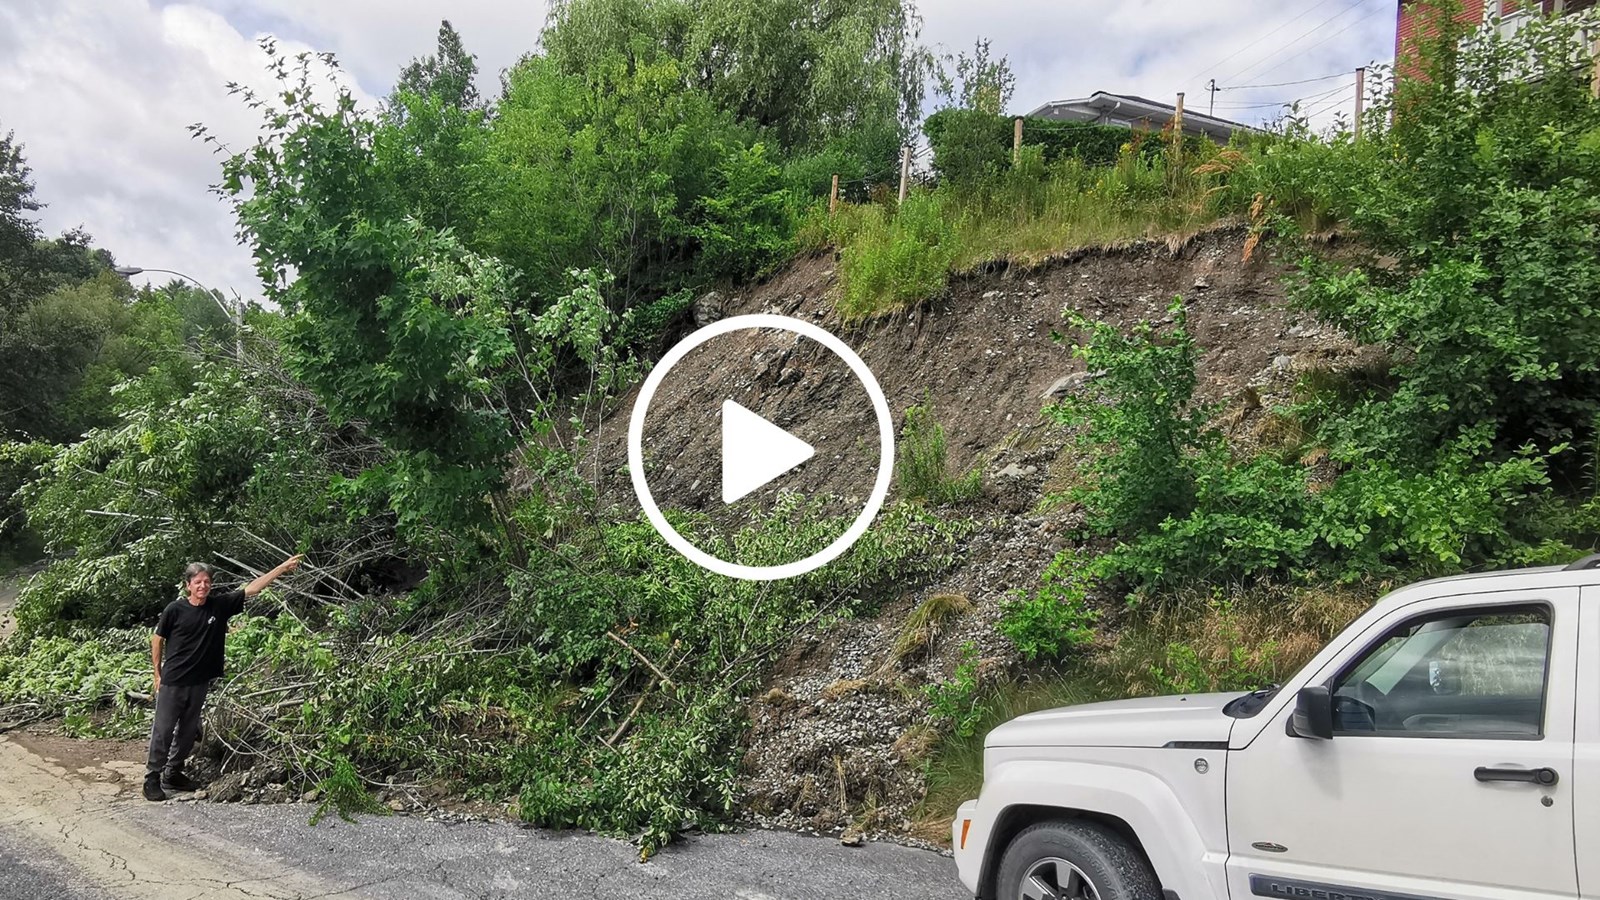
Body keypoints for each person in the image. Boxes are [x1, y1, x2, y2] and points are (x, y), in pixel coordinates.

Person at [145, 554, 303, 801]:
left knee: (188, 732)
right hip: (173, 681)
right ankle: (152, 778)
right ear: (188, 585)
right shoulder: (174, 609)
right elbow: (157, 639)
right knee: (163, 731)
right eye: (197, 582)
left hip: (200, 681)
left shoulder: (218, 606)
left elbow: (252, 588)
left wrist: (281, 568)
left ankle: (172, 773)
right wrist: (157, 674)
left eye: (206, 582)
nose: (203, 586)